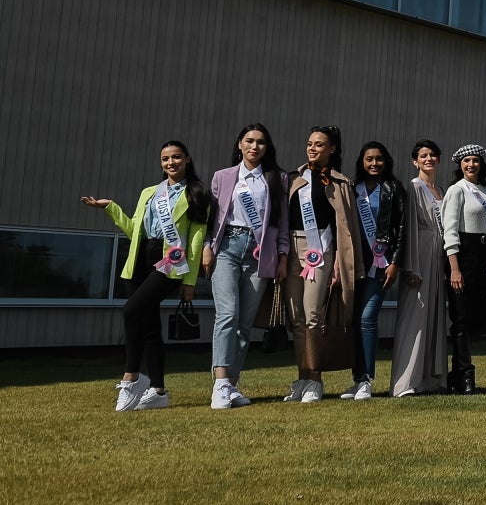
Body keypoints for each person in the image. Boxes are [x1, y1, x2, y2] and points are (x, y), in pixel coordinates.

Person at [83, 140, 212, 411]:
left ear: (187, 159)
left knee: (131, 311)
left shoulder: (198, 193)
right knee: (150, 326)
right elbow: (134, 230)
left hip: (170, 262)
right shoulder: (149, 193)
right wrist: (110, 208)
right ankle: (159, 390)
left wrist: (190, 282)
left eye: (177, 157)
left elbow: (197, 239)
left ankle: (132, 377)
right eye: (165, 159)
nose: (171, 163)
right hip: (140, 259)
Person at [203, 125, 287, 409]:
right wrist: (206, 247)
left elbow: (282, 223)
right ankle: (220, 382)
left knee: (244, 322)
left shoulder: (277, 179)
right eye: (249, 141)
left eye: (261, 142)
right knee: (227, 313)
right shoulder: (223, 177)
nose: (255, 146)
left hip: (259, 253)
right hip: (226, 247)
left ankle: (231, 385)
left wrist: (283, 255)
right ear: (239, 144)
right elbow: (212, 217)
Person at [283, 127, 362, 404]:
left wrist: (341, 261)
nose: (312, 148)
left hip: (320, 252)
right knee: (297, 320)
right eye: (309, 144)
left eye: (319, 144)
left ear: (332, 149)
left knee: (313, 314)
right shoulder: (293, 179)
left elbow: (345, 227)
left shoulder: (340, 183)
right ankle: (302, 376)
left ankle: (315, 378)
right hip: (292, 249)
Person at [390, 139, 450, 398]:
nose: (429, 159)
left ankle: (429, 379)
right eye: (423, 156)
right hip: (420, 256)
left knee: (434, 317)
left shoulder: (440, 190)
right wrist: (411, 267)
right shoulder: (413, 188)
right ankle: (405, 382)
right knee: (414, 319)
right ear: (415, 161)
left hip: (438, 257)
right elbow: (409, 230)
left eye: (433, 155)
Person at [345, 142, 404, 401]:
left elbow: (401, 228)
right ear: (362, 161)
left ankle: (367, 379)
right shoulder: (351, 188)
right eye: (369, 159)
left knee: (368, 319)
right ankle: (357, 379)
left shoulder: (393, 188)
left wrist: (395, 262)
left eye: (379, 159)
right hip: (352, 263)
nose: (374, 163)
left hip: (380, 264)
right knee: (353, 322)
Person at [440, 145, 486, 395]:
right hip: (462, 255)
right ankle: (463, 374)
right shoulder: (456, 190)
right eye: (466, 161)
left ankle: (460, 373)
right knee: (461, 318)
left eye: (475, 160)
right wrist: (454, 268)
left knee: (476, 316)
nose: (470, 165)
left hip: (483, 257)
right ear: (460, 165)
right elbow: (449, 230)